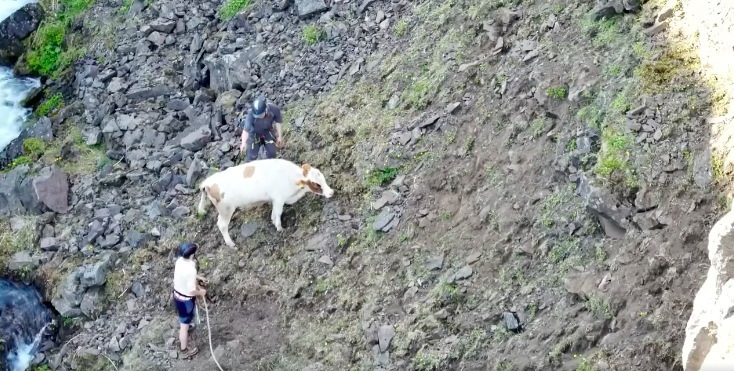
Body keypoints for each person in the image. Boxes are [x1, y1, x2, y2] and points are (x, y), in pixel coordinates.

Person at [172, 242, 207, 359]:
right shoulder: (190, 270)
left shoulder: (179, 261)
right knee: (184, 326)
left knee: (184, 319)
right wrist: (201, 292)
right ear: (192, 255)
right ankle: (184, 349)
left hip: (177, 295)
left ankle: (187, 327)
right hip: (186, 301)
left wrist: (197, 277)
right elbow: (192, 291)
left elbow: (184, 275)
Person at [238, 95, 284, 162]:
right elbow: (246, 130)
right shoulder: (250, 113)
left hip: (267, 132)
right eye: (257, 116)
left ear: (266, 109)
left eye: (261, 115)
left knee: (272, 153)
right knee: (251, 156)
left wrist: (280, 136)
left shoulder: (274, 109)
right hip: (253, 134)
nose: (259, 117)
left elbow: (278, 122)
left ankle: (268, 166)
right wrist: (243, 143)